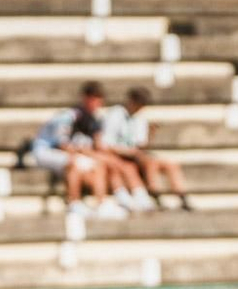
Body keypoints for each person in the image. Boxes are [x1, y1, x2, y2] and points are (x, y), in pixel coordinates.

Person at [28, 83, 126, 220]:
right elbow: (61, 144)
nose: (97, 104)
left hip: (66, 153)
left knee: (97, 166)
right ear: (86, 98)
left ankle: (102, 204)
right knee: (74, 162)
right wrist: (87, 153)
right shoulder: (68, 116)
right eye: (95, 99)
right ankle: (74, 203)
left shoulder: (92, 119)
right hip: (45, 151)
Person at [99, 87, 193, 211]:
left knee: (171, 165)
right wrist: (128, 152)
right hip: (120, 155)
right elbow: (106, 144)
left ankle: (182, 196)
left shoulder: (139, 117)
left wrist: (150, 133)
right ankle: (155, 195)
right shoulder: (115, 115)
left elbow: (141, 144)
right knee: (151, 163)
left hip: (136, 154)